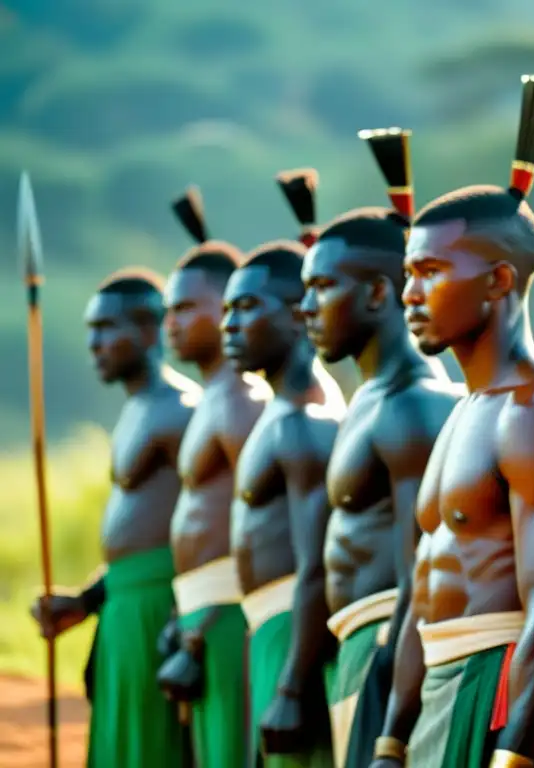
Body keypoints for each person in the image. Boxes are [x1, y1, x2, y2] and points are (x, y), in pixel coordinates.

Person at [370, 70, 534, 768]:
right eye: (408, 273)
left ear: (499, 280)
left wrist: (511, 755)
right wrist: (391, 740)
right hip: (440, 693)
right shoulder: (467, 409)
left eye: (432, 272)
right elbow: (420, 593)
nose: (410, 294)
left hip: (502, 701)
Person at [297, 126, 464, 767]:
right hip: (356, 648)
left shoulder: (414, 405)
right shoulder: (369, 396)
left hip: (388, 657)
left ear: (374, 292)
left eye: (321, 289)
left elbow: (416, 576)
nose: (305, 308)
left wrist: (390, 711)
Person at [31, 269, 197, 767]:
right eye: (89, 330)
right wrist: (87, 600)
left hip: (161, 609)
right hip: (124, 604)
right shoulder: (137, 408)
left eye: (106, 328)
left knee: (154, 747)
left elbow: (205, 528)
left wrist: (184, 620)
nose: (94, 344)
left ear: (149, 331)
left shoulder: (183, 410)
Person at [157, 186, 270, 768]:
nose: (169, 323)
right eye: (168, 311)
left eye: (184, 309)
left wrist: (214, 621)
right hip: (202, 614)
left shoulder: (244, 401)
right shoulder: (213, 399)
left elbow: (265, 516)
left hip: (229, 616)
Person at [224, 239, 346, 767]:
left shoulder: (306, 421)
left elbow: (316, 563)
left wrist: (294, 684)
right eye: (227, 308)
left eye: (247, 307)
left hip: (294, 630)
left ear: (299, 315)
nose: (229, 323)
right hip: (270, 631)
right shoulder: (280, 412)